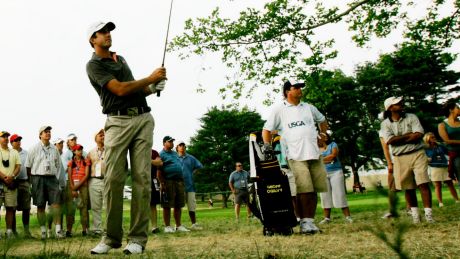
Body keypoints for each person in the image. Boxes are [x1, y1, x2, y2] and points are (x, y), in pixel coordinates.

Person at [86, 20, 167, 255]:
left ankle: (138, 239)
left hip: (143, 119)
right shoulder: (93, 65)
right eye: (102, 32)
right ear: (92, 39)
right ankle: (110, 238)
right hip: (117, 122)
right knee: (113, 179)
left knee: (142, 177)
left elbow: (136, 88)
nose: (107, 35)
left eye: (108, 31)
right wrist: (151, 78)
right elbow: (120, 89)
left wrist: (152, 88)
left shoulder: (119, 59)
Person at [262, 80, 328, 234]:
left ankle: (310, 221)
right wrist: (267, 146)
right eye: (296, 87)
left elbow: (323, 121)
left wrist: (323, 134)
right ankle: (303, 222)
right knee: (304, 189)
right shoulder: (279, 109)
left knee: (313, 190)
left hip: (314, 152)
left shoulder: (309, 107)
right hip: (295, 154)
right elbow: (266, 129)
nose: (300, 90)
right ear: (287, 91)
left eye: (300, 87)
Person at [380, 96, 433, 223]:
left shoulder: (412, 117)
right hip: (400, 157)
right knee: (408, 187)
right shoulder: (385, 124)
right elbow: (389, 141)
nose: (401, 104)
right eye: (397, 103)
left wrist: (399, 138)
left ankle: (429, 215)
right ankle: (415, 216)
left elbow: (419, 134)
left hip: (417, 153)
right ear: (390, 108)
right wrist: (409, 135)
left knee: (423, 183)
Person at [25, 126, 65, 238]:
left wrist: (56, 179)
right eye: (45, 132)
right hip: (38, 178)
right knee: (40, 205)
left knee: (56, 204)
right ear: (40, 135)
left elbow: (58, 165)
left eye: (49, 132)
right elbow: (28, 166)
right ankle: (43, 231)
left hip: (52, 178)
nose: (48, 133)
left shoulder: (54, 149)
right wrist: (33, 180)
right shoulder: (33, 148)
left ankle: (58, 230)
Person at [318, 133, 352, 224]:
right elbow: (316, 159)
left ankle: (348, 217)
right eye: (320, 136)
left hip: (336, 172)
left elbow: (333, 156)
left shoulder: (333, 145)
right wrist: (327, 159)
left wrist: (321, 160)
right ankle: (327, 218)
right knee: (325, 195)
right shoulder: (315, 148)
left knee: (339, 193)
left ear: (327, 137)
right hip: (323, 173)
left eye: (325, 135)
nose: (323, 137)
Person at [158, 136, 190, 233]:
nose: (172, 143)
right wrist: (162, 183)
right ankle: (167, 226)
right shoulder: (161, 154)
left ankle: (178, 225)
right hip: (168, 181)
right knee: (167, 205)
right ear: (164, 143)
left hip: (179, 181)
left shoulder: (175, 153)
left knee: (178, 204)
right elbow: (159, 171)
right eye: (169, 141)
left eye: (172, 142)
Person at [423, 132, 459, 207]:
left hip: (444, 166)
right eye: (432, 137)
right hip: (434, 167)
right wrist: (427, 159)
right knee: (437, 185)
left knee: (450, 183)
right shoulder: (426, 148)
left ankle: (457, 200)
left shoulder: (440, 146)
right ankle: (440, 203)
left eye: (434, 137)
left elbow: (448, 152)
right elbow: (423, 157)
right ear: (427, 139)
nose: (434, 138)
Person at [176, 140, 204, 230]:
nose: (182, 147)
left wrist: (193, 173)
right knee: (179, 206)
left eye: (183, 145)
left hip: (190, 185)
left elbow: (200, 166)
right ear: (177, 147)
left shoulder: (191, 158)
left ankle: (194, 224)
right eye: (180, 145)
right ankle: (178, 225)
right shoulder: (174, 157)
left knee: (192, 205)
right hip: (178, 185)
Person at [9, 134, 33, 238]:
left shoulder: (26, 153)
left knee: (26, 208)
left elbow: (29, 168)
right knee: (12, 207)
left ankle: (26, 231)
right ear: (11, 143)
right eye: (16, 140)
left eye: (19, 140)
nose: (18, 142)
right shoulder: (9, 153)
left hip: (24, 182)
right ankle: (14, 231)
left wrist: (29, 181)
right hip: (13, 183)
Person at [272, 133, 298, 220]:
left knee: (294, 195)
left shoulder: (289, 145)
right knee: (286, 196)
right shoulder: (274, 147)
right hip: (281, 171)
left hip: (290, 170)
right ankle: (290, 215)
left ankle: (297, 215)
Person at [0, 131, 21, 238]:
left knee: (10, 208)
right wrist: (4, 177)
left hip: (11, 183)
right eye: (3, 137)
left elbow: (18, 166)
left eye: (7, 137)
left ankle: (9, 231)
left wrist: (12, 176)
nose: (6, 138)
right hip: (0, 183)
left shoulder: (14, 152)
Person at [67, 144, 90, 236]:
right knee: (71, 209)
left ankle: (85, 230)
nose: (79, 151)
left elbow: (86, 175)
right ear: (74, 152)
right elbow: (69, 176)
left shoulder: (86, 161)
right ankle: (69, 230)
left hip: (83, 186)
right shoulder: (71, 163)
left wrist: (77, 187)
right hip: (72, 187)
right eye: (77, 150)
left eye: (81, 150)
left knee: (83, 208)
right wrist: (73, 188)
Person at [87, 129, 106, 236]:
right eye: (100, 135)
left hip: (106, 179)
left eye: (104, 135)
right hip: (94, 180)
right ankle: (97, 229)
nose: (103, 136)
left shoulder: (110, 150)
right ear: (95, 138)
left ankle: (109, 229)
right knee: (95, 206)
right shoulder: (90, 153)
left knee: (109, 205)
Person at [438, 100, 460, 184]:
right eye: (458, 107)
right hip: (456, 154)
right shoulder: (442, 125)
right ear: (451, 110)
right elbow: (447, 141)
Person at [150, 149, 162, 234]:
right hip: (141, 179)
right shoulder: (137, 149)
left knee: (153, 204)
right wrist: (153, 161)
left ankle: (154, 226)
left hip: (152, 179)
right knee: (141, 204)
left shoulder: (154, 152)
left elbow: (159, 163)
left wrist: (148, 160)